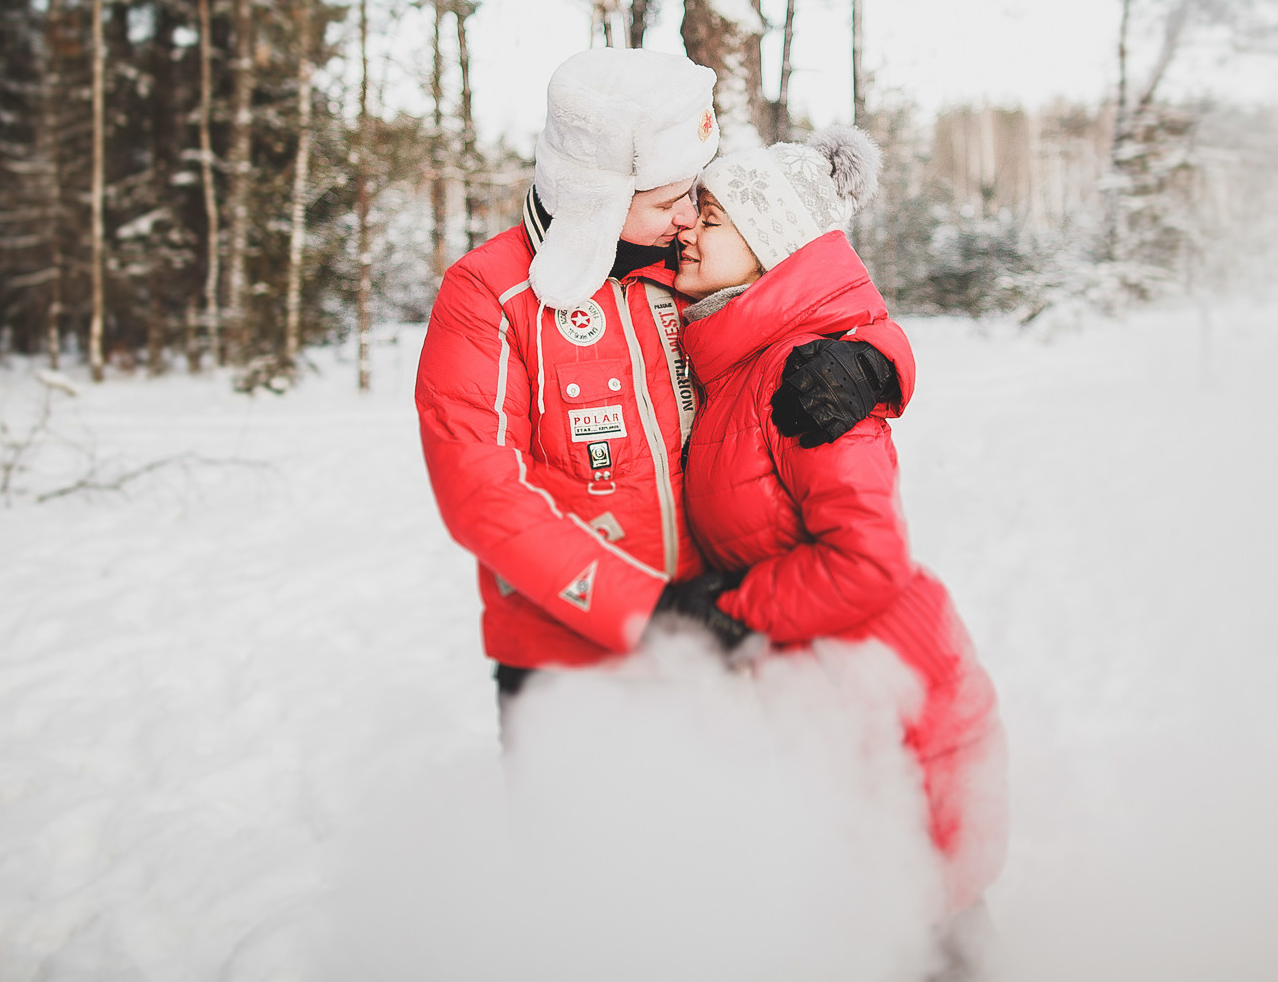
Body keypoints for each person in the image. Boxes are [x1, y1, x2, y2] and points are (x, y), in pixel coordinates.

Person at [413, 49, 905, 714]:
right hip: (567, 662)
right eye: (671, 199)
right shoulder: (490, 294)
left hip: (708, 636)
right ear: (600, 197)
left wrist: (873, 359)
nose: (688, 217)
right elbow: (483, 492)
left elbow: (809, 297)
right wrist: (644, 610)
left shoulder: (685, 271)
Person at [671, 125, 1009, 927]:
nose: (686, 225)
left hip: (892, 706)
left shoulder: (805, 378)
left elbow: (867, 560)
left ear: (767, 244)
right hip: (836, 701)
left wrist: (729, 610)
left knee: (926, 935)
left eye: (711, 217)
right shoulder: (734, 357)